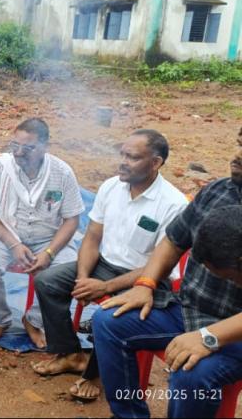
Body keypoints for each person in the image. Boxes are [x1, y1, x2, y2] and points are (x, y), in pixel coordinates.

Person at [32, 130, 187, 400]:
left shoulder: (173, 204)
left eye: (133, 157)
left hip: (146, 278)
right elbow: (92, 237)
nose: (123, 162)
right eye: (122, 154)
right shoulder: (111, 186)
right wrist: (82, 278)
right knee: (47, 281)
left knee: (112, 315)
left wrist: (105, 287)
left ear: (156, 163)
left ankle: (94, 373)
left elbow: (160, 265)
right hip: (104, 264)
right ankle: (70, 353)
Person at [93, 149, 242, 418]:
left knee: (191, 374)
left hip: (236, 331)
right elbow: (174, 239)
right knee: (108, 321)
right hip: (189, 310)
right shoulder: (218, 191)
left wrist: (208, 337)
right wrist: (145, 283)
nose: (238, 154)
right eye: (241, 142)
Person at [0, 118, 84, 347]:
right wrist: (13, 244)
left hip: (49, 239)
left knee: (70, 271)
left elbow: (71, 219)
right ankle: (0, 319)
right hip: (7, 235)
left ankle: (33, 320)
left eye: (28, 148)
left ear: (45, 146)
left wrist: (50, 253)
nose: (18, 153)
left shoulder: (62, 172)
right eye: (15, 145)